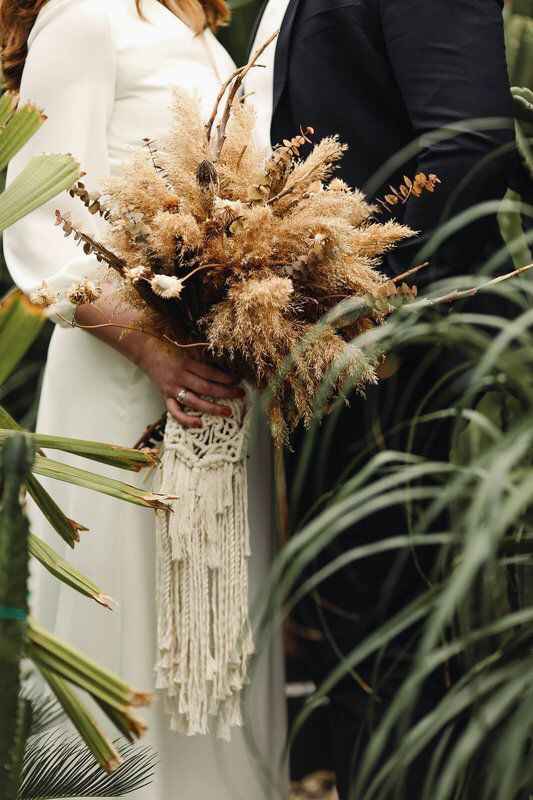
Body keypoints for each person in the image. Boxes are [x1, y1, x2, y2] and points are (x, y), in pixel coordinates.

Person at [2, 1, 286, 798]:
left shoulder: (195, 32)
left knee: (224, 634)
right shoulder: (85, 18)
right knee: (131, 621)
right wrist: (156, 354)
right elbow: (38, 219)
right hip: (123, 384)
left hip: (218, 388)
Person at [247, 1, 516, 797]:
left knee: (403, 643)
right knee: (360, 638)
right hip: (351, 369)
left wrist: (377, 308)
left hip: (416, 366)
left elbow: (471, 145)